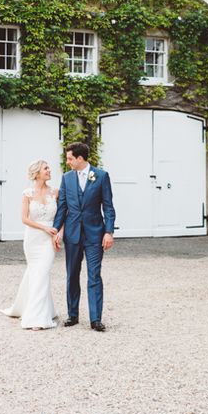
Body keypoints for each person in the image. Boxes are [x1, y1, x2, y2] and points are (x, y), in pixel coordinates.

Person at [52, 141, 116, 332]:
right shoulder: (66, 178)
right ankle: (73, 315)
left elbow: (108, 207)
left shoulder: (101, 176)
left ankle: (96, 319)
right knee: (72, 275)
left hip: (95, 234)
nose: (68, 161)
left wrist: (109, 232)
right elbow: (62, 207)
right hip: (72, 235)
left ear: (80, 158)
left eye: (70, 158)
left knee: (94, 276)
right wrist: (56, 231)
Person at [0, 159, 58, 329]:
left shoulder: (55, 192)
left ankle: (38, 315)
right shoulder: (27, 193)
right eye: (46, 168)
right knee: (35, 272)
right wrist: (44, 228)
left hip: (48, 240)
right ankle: (36, 314)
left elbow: (63, 213)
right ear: (37, 173)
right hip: (33, 239)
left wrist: (57, 232)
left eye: (48, 167)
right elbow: (24, 219)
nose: (49, 170)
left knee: (41, 272)